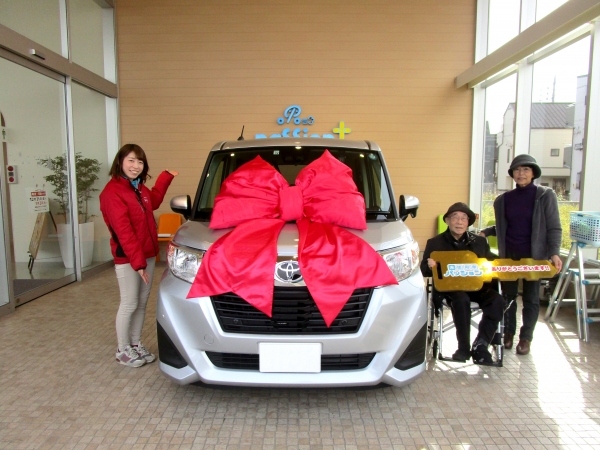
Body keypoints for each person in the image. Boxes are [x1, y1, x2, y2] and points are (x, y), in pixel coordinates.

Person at [100, 144, 178, 367]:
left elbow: (154, 201)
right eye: (131, 160)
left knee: (142, 303)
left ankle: (135, 344)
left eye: (140, 162)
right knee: (129, 303)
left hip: (147, 255)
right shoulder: (112, 192)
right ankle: (122, 349)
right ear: (120, 162)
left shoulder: (138, 188)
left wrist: (165, 178)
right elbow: (123, 232)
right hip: (129, 258)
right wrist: (138, 263)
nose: (135, 166)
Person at [480, 154, 562, 356]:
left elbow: (553, 227)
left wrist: (554, 253)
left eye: (526, 169)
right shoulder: (503, 200)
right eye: (517, 170)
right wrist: (486, 232)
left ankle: (526, 338)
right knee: (508, 296)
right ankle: (508, 334)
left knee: (531, 298)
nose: (521, 173)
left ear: (533, 173)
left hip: (535, 256)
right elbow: (504, 227)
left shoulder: (545, 195)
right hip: (509, 254)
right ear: (512, 174)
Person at [421, 202, 504, 365]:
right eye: (455, 217)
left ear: (468, 223)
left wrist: (501, 265)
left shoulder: (480, 242)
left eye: (464, 218)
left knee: (497, 301)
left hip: (478, 287)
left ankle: (481, 345)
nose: (459, 222)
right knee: (461, 299)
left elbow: (492, 263)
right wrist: (430, 266)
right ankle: (463, 348)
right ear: (447, 220)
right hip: (451, 288)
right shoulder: (435, 243)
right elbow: (424, 269)